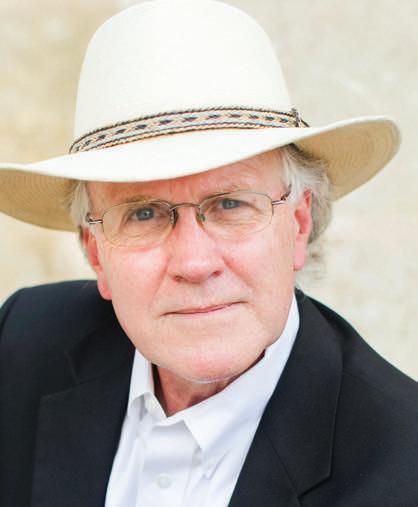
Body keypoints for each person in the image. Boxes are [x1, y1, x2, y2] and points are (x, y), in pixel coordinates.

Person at [0, 1, 417, 506]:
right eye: (144, 214)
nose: (195, 264)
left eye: (230, 204)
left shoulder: (403, 466)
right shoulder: (24, 343)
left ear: (299, 225)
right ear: (96, 253)